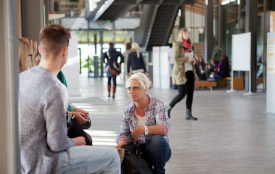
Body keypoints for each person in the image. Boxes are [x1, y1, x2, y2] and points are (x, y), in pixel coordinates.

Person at [19, 24, 120, 174]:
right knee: (112, 157)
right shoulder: (55, 87)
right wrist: (75, 142)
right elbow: (57, 144)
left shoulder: (23, 77)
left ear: (40, 49)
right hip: (44, 163)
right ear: (65, 52)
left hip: (23, 159)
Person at [117, 73, 171, 174]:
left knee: (156, 140)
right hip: (138, 149)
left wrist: (142, 130)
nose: (131, 92)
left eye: (136, 88)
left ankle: (159, 171)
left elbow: (164, 129)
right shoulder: (127, 110)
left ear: (145, 89)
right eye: (129, 88)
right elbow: (124, 134)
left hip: (158, 150)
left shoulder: (157, 105)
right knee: (127, 150)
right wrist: (122, 142)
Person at [167, 28, 198, 120]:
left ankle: (188, 113)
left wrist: (195, 60)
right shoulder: (177, 45)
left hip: (190, 72)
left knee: (190, 94)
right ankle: (168, 108)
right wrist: (187, 59)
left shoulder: (191, 45)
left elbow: (193, 56)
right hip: (181, 73)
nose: (188, 34)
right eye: (186, 33)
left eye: (189, 33)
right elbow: (176, 59)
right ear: (182, 34)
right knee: (182, 94)